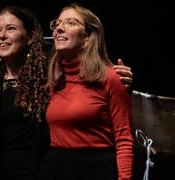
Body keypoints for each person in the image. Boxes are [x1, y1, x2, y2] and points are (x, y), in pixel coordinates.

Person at [0, 5, 133, 180]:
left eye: (11, 28)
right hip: (45, 169)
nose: (59, 28)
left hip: (82, 168)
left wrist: (121, 78)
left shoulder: (46, 77)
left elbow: (123, 138)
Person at [36, 3, 134, 180]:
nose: (59, 28)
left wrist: (125, 178)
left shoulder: (110, 77)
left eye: (70, 22)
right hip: (56, 168)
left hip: (95, 169)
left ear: (88, 36)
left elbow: (124, 139)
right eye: (57, 23)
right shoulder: (54, 80)